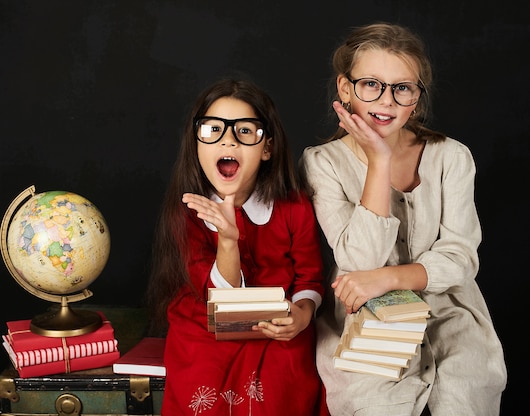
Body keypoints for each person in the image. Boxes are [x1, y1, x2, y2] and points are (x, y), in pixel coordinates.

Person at [300, 22, 507, 415]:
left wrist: (391, 277)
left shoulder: (453, 157)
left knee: (465, 396)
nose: (387, 100)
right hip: (367, 324)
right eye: (371, 84)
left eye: (402, 88)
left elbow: (461, 257)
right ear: (346, 89)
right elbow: (360, 263)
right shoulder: (321, 162)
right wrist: (379, 160)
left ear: (417, 98)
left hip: (452, 314)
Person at [146, 77, 327, 415]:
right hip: (206, 323)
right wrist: (228, 240)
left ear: (267, 148)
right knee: (203, 381)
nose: (228, 141)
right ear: (197, 144)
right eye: (213, 129)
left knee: (284, 378)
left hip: (277, 326)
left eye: (245, 131)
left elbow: (310, 278)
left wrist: (301, 315)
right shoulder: (187, 211)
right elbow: (219, 297)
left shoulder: (293, 206)